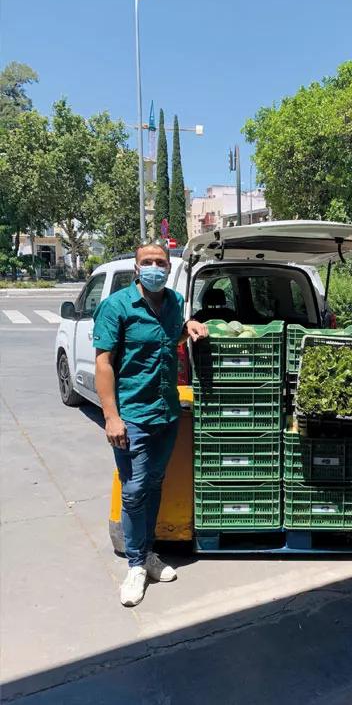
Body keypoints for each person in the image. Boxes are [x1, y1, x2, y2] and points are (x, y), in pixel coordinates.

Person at [94, 241, 208, 607]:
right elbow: (104, 364)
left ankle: (148, 555)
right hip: (132, 415)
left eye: (160, 261)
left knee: (155, 483)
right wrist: (111, 416)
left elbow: (168, 339)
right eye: (148, 262)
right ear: (137, 267)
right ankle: (135, 566)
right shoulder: (117, 307)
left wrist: (188, 325)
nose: (155, 267)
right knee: (134, 490)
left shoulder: (174, 302)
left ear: (168, 264)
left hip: (166, 413)